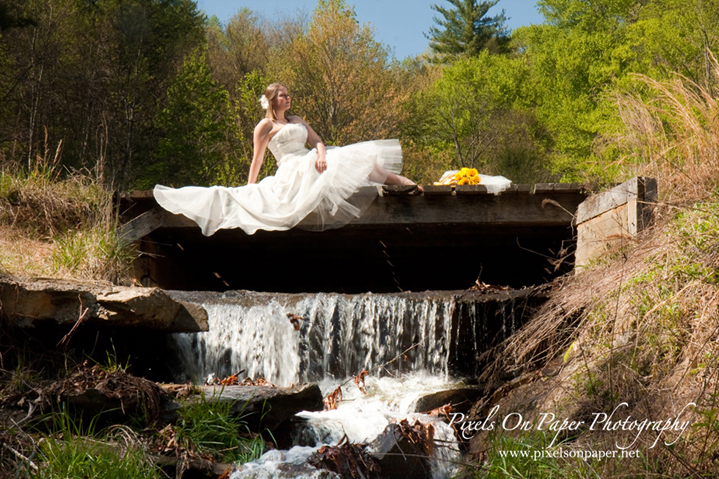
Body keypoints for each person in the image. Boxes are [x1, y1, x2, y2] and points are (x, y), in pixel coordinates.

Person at [154, 83, 420, 236]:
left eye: (288, 94)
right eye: (282, 94)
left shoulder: (297, 120)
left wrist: (322, 155)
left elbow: (317, 141)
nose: (288, 97)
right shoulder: (264, 126)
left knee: (361, 160)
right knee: (350, 163)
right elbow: (257, 160)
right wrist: (250, 186)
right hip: (291, 167)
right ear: (272, 100)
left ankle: (407, 183)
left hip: (311, 159)